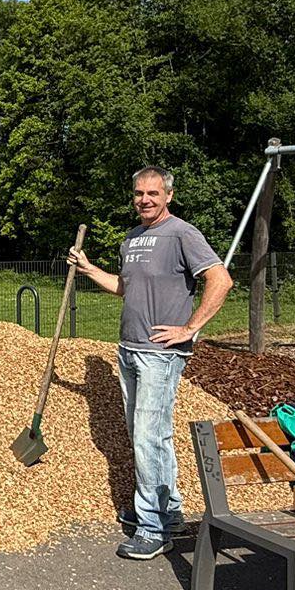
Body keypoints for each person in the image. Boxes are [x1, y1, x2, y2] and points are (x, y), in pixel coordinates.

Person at [70, 166, 233, 560]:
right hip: (129, 349)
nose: (145, 199)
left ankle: (154, 528)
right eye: (139, 193)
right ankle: (168, 510)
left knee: (147, 437)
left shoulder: (182, 233)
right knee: (150, 435)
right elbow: (127, 287)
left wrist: (189, 328)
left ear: (168, 196)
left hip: (160, 354)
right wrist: (89, 268)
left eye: (153, 193)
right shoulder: (132, 238)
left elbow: (220, 279)